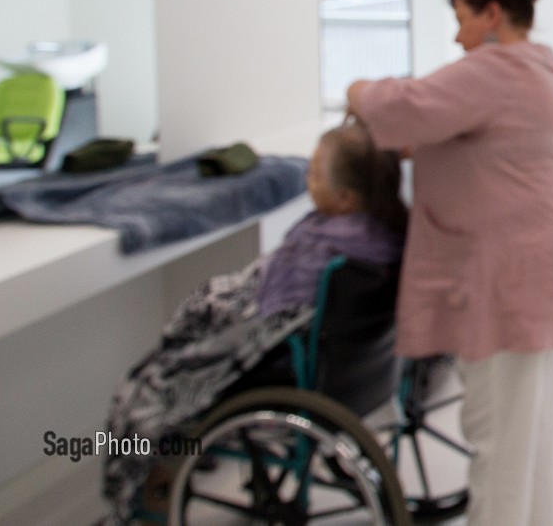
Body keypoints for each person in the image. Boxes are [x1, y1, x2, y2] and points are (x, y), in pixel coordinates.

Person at [347, 0, 553, 526]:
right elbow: (481, 143)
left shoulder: (495, 70)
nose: (457, 36)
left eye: (462, 20)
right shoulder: (537, 71)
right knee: (526, 440)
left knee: (499, 447)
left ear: (492, 15)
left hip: (512, 282)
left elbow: (406, 102)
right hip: (541, 271)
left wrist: (356, 90)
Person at [101, 122, 406, 524]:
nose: (307, 178)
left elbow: (267, 317)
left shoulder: (326, 250)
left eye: (314, 173)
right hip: (356, 372)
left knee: (148, 386)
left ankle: (152, 487)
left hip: (285, 363)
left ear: (346, 198)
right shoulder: (383, 236)